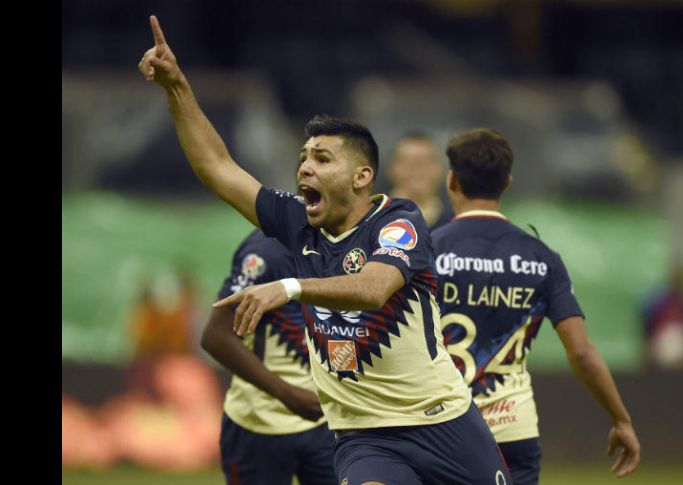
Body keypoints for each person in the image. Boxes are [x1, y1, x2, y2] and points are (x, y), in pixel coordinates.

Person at [138, 16, 511, 484]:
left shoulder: (399, 221)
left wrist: (289, 288)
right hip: (364, 435)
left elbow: (375, 288)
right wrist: (177, 86)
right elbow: (217, 166)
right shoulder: (298, 222)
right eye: (303, 159)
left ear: (361, 177)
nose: (305, 169)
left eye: (322, 159)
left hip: (443, 421)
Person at [431, 128, 641, 484]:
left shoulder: (427, 251)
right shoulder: (541, 258)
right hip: (513, 428)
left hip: (441, 428)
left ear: (451, 180)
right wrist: (622, 420)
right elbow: (582, 352)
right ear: (508, 182)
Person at [200, 229, 336, 485]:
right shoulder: (265, 251)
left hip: (328, 420)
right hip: (261, 424)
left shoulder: (349, 240)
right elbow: (215, 336)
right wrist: (288, 394)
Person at [387, 132, 453, 230]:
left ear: (441, 168)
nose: (417, 169)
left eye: (426, 161)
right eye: (408, 161)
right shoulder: (370, 220)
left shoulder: (455, 222)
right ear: (391, 168)